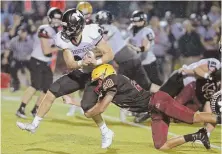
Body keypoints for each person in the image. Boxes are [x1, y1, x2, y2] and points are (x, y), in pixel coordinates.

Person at [16, 8, 114, 149]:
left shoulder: (92, 32)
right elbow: (70, 64)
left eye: (69, 26)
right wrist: (82, 62)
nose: (65, 30)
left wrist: (95, 62)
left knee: (88, 108)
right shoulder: (62, 38)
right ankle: (34, 125)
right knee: (52, 91)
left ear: (78, 25)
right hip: (79, 72)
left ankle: (106, 132)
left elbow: (109, 54)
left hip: (95, 74)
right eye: (65, 26)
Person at [79, 64, 220, 150]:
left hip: (158, 101)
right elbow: (97, 105)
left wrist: (88, 113)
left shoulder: (112, 80)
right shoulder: (113, 85)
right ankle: (198, 135)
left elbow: (101, 108)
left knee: (195, 117)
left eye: (99, 80)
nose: (98, 84)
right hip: (154, 110)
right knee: (161, 146)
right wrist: (75, 102)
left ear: (106, 75)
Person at [16, 7, 62, 118]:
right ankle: (21, 108)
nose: (57, 21)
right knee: (35, 85)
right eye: (55, 18)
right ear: (50, 18)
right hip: (37, 60)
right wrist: (62, 47)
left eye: (59, 19)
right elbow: (46, 50)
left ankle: (35, 110)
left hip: (46, 62)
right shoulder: (44, 29)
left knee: (47, 88)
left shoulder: (57, 31)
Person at [65, 1, 94, 116]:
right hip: (76, 55)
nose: (86, 16)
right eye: (84, 14)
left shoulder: (93, 25)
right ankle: (72, 107)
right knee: (73, 83)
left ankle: (81, 106)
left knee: (85, 85)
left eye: (88, 14)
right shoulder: (73, 23)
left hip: (88, 56)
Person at [4, 24, 33, 92]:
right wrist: (5, 58)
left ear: (26, 33)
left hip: (27, 60)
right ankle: (16, 86)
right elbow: (8, 49)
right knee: (12, 70)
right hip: (17, 59)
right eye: (21, 32)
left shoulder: (30, 40)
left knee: (33, 71)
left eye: (23, 32)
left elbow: (33, 51)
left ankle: (32, 86)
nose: (22, 33)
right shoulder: (14, 40)